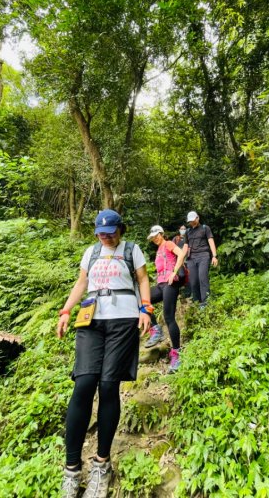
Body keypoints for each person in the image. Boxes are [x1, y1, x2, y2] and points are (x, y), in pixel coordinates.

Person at [57, 209, 152, 498]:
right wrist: (65, 310)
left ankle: (101, 463)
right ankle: (71, 469)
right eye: (101, 232)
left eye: (110, 231)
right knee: (84, 384)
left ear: (120, 229)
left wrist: (145, 307)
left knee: (108, 386)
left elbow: (144, 279)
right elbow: (82, 282)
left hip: (123, 321)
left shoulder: (132, 250)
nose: (106, 236)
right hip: (90, 320)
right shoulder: (91, 252)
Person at [145, 224, 185, 373]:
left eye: (156, 235)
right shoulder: (158, 250)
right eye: (153, 237)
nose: (155, 238)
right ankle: (156, 329)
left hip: (170, 284)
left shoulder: (168, 243)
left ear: (161, 233)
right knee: (142, 300)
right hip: (161, 285)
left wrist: (174, 272)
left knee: (169, 318)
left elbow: (181, 254)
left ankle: (176, 355)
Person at [183, 211, 218, 308]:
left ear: (197, 218)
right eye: (190, 221)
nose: (191, 222)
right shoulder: (188, 231)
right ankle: (196, 301)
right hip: (191, 258)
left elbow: (211, 241)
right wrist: (181, 259)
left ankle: (205, 303)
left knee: (203, 278)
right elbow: (185, 246)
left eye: (193, 220)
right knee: (193, 281)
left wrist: (214, 256)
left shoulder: (205, 228)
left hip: (203, 256)